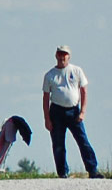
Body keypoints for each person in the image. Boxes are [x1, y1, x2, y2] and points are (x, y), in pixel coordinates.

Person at [41, 45, 100, 178]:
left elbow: (84, 90)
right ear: (56, 55)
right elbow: (45, 98)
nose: (62, 57)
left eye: (65, 54)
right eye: (60, 54)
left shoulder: (77, 71)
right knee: (58, 144)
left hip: (74, 111)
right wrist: (47, 119)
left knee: (83, 141)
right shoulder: (50, 75)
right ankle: (62, 173)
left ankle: (93, 170)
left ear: (69, 56)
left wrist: (83, 111)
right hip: (56, 111)